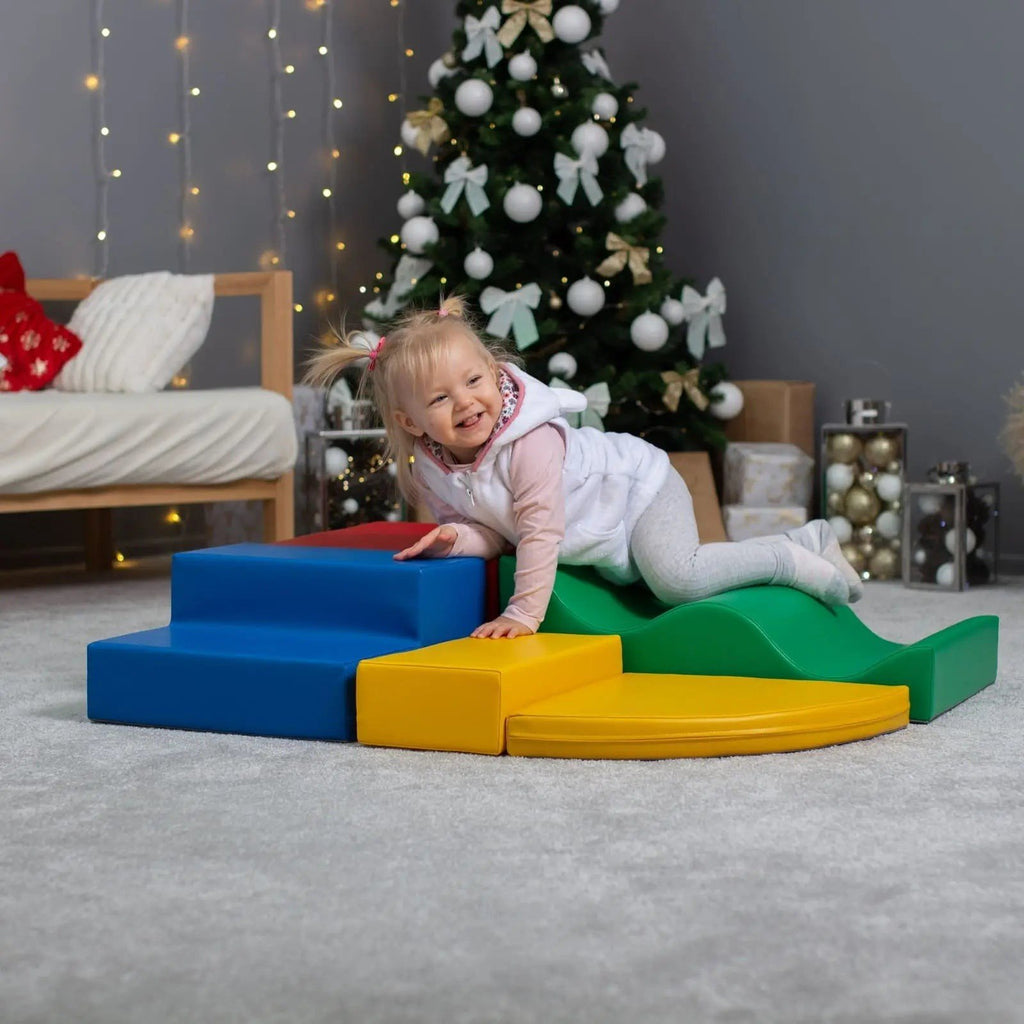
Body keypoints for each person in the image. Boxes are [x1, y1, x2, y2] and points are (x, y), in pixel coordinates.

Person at [306, 297, 862, 639]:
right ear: (411, 422)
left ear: (494, 371)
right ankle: (805, 541)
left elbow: (539, 529)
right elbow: (498, 534)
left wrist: (524, 615)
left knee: (679, 579)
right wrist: (454, 537)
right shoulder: (433, 465)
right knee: (652, 584)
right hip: (600, 523)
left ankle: (793, 553)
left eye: (473, 382)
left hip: (637, 490)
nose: (466, 403)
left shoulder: (531, 443)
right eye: (440, 399)